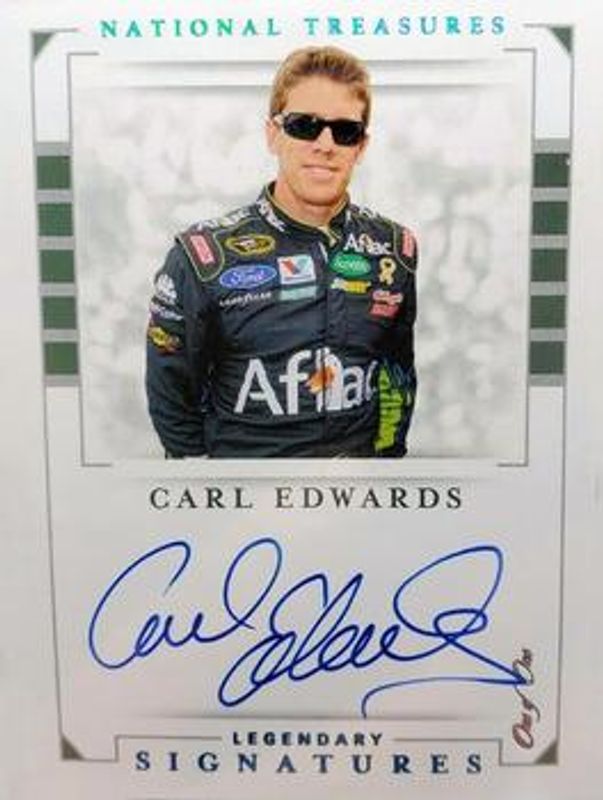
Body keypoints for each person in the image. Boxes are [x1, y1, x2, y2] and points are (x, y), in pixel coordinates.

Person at [146, 46, 418, 458]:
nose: (325, 144)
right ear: (273, 134)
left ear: (360, 147)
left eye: (345, 131)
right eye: (304, 125)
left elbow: (396, 378)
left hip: (358, 489)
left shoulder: (394, 249)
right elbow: (172, 398)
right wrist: (207, 486)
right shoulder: (201, 256)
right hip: (242, 491)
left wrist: (386, 470)